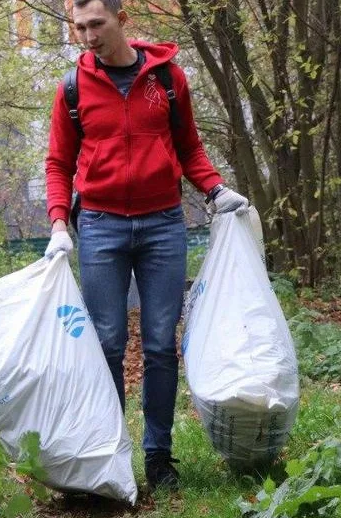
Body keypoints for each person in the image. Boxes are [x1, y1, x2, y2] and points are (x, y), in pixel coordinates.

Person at [42, 0, 250, 491]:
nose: (88, 36)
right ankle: (110, 454)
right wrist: (57, 225)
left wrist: (215, 188)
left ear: (122, 21)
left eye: (97, 24)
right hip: (100, 225)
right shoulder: (71, 88)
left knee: (160, 345)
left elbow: (189, 146)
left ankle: (159, 458)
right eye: (79, 27)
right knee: (108, 344)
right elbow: (58, 163)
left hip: (162, 225)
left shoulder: (168, 79)